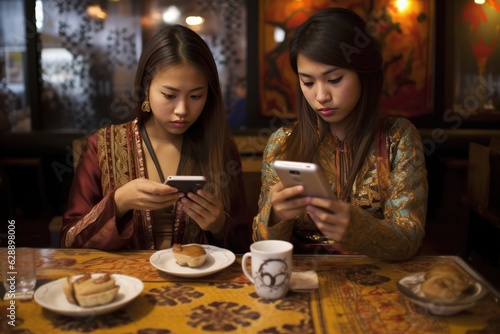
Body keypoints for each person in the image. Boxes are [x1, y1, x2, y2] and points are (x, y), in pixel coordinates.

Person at [252, 8, 428, 261]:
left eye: (334, 79)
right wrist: (276, 216)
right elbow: (262, 247)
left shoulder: (397, 137)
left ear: (364, 75)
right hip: (305, 277)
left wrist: (357, 228)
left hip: (376, 277)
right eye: (308, 82)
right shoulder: (283, 142)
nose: (321, 96)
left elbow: (409, 240)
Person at [61, 24, 251, 253]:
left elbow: (246, 244)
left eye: (196, 96)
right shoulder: (102, 145)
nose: (182, 109)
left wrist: (219, 225)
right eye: (169, 95)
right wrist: (119, 202)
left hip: (197, 282)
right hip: (125, 284)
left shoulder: (219, 148)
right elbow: (69, 242)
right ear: (146, 88)